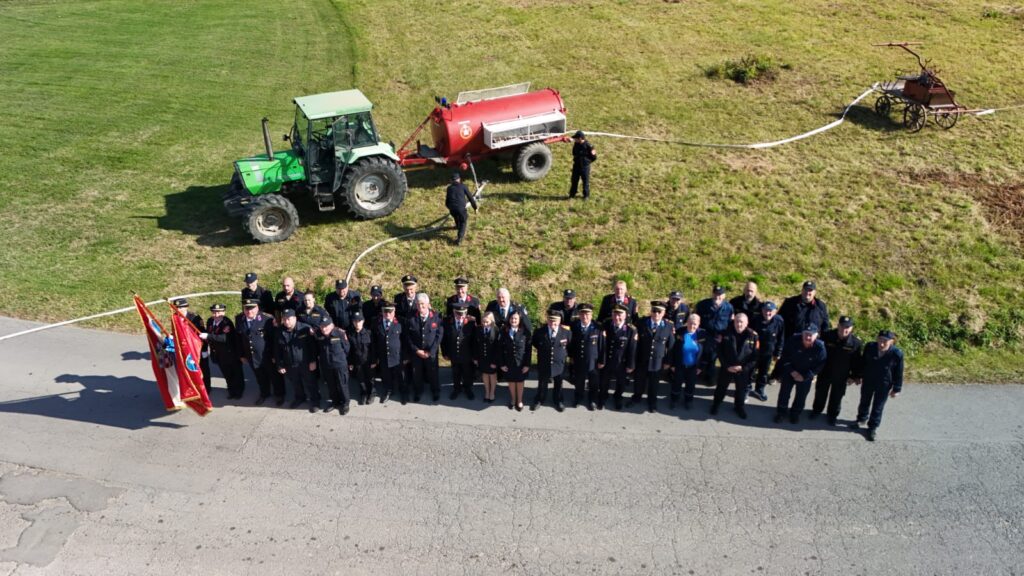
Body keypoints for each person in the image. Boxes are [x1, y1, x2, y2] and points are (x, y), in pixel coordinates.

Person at [810, 316, 864, 426]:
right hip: (825, 371)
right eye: (842, 326)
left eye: (847, 327)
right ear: (838, 325)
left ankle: (832, 415)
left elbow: (857, 361)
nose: (844, 329)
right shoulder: (827, 336)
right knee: (820, 393)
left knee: (837, 396)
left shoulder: (856, 343)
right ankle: (817, 411)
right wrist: (815, 371)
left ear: (851, 328)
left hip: (842, 375)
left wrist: (854, 376)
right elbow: (818, 354)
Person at [855, 330, 904, 441]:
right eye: (880, 340)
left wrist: (897, 389)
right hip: (868, 380)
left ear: (892, 342)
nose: (881, 344)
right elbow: (863, 362)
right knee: (864, 401)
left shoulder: (897, 354)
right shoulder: (870, 347)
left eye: (885, 341)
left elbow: (899, 372)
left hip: (884, 384)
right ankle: (861, 419)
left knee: (878, 406)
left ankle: (872, 427)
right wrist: (857, 376)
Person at [774, 325, 827, 424]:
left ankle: (795, 414)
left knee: (801, 396)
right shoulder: (793, 340)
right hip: (790, 371)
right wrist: (792, 371)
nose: (808, 337)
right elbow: (785, 357)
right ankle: (781, 413)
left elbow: (819, 365)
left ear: (816, 336)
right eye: (806, 334)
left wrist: (806, 376)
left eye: (811, 335)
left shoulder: (820, 348)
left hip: (805, 375)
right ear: (802, 334)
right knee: (784, 394)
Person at [712, 313, 759, 419]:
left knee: (741, 390)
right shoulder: (724, 334)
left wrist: (743, 368)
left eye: (741, 321)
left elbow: (755, 356)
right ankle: (716, 404)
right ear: (733, 322)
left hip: (742, 369)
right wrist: (726, 366)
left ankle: (739, 407)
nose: (739, 324)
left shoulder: (754, 336)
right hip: (727, 367)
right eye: (737, 321)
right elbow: (720, 352)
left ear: (747, 323)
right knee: (721, 388)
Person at [631, 301, 675, 413]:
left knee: (654, 383)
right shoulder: (641, 323)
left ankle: (652, 402)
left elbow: (671, 345)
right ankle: (637, 397)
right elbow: (635, 341)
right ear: (651, 311)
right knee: (639, 381)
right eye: (654, 311)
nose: (656, 314)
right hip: (642, 358)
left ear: (664, 313)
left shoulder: (669, 325)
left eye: (659, 311)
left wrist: (668, 361)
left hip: (657, 361)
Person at [274, 309, 319, 412]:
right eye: (284, 319)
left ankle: (315, 401)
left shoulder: (305, 329)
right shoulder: (279, 331)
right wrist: (279, 365)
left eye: (288, 319)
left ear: (295, 318)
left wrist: (313, 361)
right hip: (289, 363)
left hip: (305, 362)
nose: (286, 321)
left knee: (311, 383)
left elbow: (313, 347)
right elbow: (277, 350)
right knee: (295, 383)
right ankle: (300, 398)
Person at [235, 298, 278, 405]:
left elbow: (274, 339)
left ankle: (279, 395)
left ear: (257, 307)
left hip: (267, 355)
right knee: (260, 377)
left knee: (275, 376)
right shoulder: (239, 319)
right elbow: (239, 338)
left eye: (252, 308)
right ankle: (264, 394)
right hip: (251, 355)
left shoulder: (267, 319)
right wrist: (241, 354)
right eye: (246, 309)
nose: (249, 311)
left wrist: (275, 355)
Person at [404, 293, 443, 402]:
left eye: (423, 304)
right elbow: (407, 336)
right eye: (418, 304)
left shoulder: (436, 316)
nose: (420, 307)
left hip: (431, 352)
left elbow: (439, 335)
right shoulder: (410, 317)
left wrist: (431, 351)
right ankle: (418, 391)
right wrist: (416, 350)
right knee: (417, 373)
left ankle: (435, 390)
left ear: (428, 304)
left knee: (433, 372)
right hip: (417, 352)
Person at [201, 303, 244, 399]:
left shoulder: (226, 323)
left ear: (223, 312)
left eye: (218, 312)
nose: (216, 315)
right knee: (226, 373)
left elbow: (224, 338)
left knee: (236, 373)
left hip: (230, 353)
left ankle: (239, 391)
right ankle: (231, 390)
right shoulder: (210, 321)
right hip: (218, 353)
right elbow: (210, 333)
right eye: (214, 312)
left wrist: (208, 336)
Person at [531, 310, 572, 412]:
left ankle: (558, 400)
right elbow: (536, 343)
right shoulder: (540, 332)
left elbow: (569, 346)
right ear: (547, 320)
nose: (553, 323)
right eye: (550, 320)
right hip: (544, 362)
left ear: (560, 321)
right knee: (542, 383)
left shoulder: (566, 332)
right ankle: (539, 399)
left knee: (559, 383)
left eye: (555, 321)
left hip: (559, 363)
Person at [599, 305, 637, 410]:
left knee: (621, 382)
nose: (617, 317)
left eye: (620, 314)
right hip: (606, 360)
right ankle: (603, 396)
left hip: (621, 362)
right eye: (615, 314)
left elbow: (632, 349)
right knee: (604, 381)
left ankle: (618, 397)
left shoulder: (630, 330)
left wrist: (631, 365)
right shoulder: (605, 325)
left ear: (625, 315)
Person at [694, 285, 734, 385]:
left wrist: (723, 336)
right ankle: (697, 374)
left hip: (719, 337)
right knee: (701, 355)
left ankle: (710, 376)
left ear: (724, 295)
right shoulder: (703, 305)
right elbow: (696, 319)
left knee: (713, 358)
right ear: (712, 294)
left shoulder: (729, 308)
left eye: (720, 294)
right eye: (716, 293)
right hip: (704, 335)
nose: (717, 296)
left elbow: (730, 324)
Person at [568, 303, 603, 410]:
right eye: (582, 314)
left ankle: (592, 399)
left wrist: (601, 360)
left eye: (587, 314)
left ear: (591, 315)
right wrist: (571, 356)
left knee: (594, 382)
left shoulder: (598, 327)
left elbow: (601, 345)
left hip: (593, 360)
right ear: (578, 314)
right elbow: (571, 343)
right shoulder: (574, 326)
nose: (585, 316)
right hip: (578, 359)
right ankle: (578, 396)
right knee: (579, 380)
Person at [315, 316, 351, 415]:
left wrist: (340, 359)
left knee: (342, 384)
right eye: (322, 326)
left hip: (339, 364)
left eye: (326, 326)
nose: (324, 329)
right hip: (326, 365)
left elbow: (346, 348)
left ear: (332, 325)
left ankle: (345, 403)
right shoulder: (318, 334)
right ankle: (335, 402)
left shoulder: (340, 333)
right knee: (331, 385)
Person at [173, 298, 210, 392]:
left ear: (186, 307)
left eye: (181, 307)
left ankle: (206, 388)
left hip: (197, 348)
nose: (179, 309)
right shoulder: (174, 317)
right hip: (185, 349)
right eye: (177, 307)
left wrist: (204, 349)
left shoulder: (195, 318)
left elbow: (202, 334)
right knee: (190, 369)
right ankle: (194, 387)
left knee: (203, 368)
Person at [670, 314, 706, 409]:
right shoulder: (680, 332)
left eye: (694, 324)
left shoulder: (702, 334)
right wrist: (672, 364)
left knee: (690, 385)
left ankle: (688, 400)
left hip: (694, 366)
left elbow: (706, 353)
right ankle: (674, 399)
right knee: (676, 383)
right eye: (690, 323)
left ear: (698, 324)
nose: (692, 326)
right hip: (679, 364)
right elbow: (673, 349)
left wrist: (701, 367)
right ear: (687, 323)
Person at [750, 301, 784, 401]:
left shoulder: (779, 321)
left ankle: (759, 389)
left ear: (775, 312)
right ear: (762, 310)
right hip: (754, 351)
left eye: (770, 311)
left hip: (768, 352)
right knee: (750, 371)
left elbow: (781, 338)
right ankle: (746, 388)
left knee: (763, 373)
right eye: (765, 310)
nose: (767, 313)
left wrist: (778, 352)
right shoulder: (755, 319)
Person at [442, 302, 477, 401]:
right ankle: (456, 389)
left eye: (463, 313)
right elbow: (444, 340)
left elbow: (474, 341)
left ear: (466, 313)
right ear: (454, 312)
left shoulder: (471, 323)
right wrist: (445, 353)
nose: (460, 316)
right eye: (458, 313)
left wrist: (474, 355)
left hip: (467, 354)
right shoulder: (447, 322)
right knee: (455, 372)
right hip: (453, 354)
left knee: (467, 373)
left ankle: (468, 389)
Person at [370, 303, 403, 404]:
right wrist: (375, 357)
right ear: (382, 312)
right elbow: (374, 342)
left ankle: (403, 392)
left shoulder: (401, 322)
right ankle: (388, 391)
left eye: (390, 311)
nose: (387, 314)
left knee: (400, 375)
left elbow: (405, 340)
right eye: (385, 311)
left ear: (394, 312)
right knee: (386, 375)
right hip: (383, 355)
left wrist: (406, 356)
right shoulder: (376, 323)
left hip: (397, 355)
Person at [499, 310, 531, 411]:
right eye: (512, 318)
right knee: (511, 382)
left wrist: (527, 365)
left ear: (519, 320)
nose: (513, 320)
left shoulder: (525, 332)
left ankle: (520, 400)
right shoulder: (504, 331)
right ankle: (513, 399)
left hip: (521, 363)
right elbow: (499, 348)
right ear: (509, 319)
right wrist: (502, 364)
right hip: (508, 363)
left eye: (516, 318)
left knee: (520, 382)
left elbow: (528, 350)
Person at [346, 310, 375, 405]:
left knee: (370, 379)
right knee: (360, 379)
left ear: (363, 321)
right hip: (357, 362)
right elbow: (349, 350)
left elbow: (373, 348)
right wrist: (350, 362)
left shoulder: (369, 333)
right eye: (355, 321)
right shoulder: (350, 334)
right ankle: (364, 393)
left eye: (359, 321)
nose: (357, 323)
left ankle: (371, 393)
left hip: (368, 361)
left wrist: (374, 361)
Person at [474, 312, 501, 403]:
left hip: (492, 358)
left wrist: (495, 361)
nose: (485, 324)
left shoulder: (496, 330)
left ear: (492, 321)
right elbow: (475, 345)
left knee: (492, 375)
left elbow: (498, 347)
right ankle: (487, 391)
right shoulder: (478, 329)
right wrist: (476, 358)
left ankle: (492, 392)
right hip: (482, 357)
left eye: (487, 322)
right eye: (483, 321)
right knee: (485, 374)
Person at [445, 172, 478, 245]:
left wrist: (450, 208)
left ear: (451, 180)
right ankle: (459, 238)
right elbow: (470, 198)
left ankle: (457, 226)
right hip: (460, 208)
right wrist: (475, 208)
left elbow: (447, 201)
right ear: (459, 179)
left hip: (452, 209)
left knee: (456, 215)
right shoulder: (463, 186)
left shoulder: (449, 188)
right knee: (463, 221)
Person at [568, 130, 597, 200]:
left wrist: (587, 162)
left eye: (576, 138)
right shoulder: (576, 144)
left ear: (580, 138)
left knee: (585, 182)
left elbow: (594, 157)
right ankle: (572, 194)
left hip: (585, 167)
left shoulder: (589, 146)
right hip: (576, 166)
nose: (574, 139)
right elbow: (574, 153)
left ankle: (586, 195)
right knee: (574, 180)